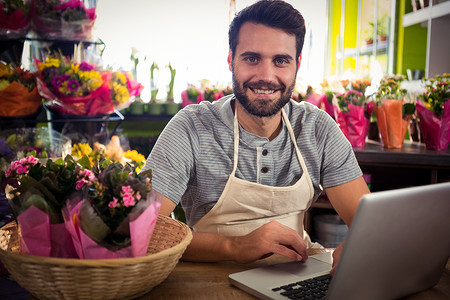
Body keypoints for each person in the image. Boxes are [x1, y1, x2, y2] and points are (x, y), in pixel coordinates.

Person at [142, 0, 370, 272]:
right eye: (252, 58)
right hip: (208, 280)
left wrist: (360, 244)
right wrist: (234, 247)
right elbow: (142, 231)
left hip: (295, 275)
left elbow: (366, 223)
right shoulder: (192, 128)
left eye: (281, 61)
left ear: (297, 64)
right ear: (231, 60)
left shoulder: (318, 129)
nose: (266, 76)